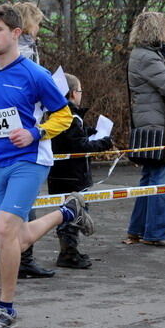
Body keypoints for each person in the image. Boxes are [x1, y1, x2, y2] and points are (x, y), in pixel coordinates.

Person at [0, 4, 92, 328]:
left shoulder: (36, 74)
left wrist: (35, 132)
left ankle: (5, 309)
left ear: (16, 33)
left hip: (31, 159)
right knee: (17, 238)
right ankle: (67, 213)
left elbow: (63, 114)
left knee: (4, 229)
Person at [0, 1, 53, 279]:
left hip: (9, 143)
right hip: (18, 143)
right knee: (16, 211)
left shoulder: (12, 51)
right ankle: (17, 258)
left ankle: (8, 258)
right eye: (37, 23)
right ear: (25, 26)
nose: (39, 29)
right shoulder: (22, 53)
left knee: (6, 211)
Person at [126, 12, 165, 247]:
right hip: (157, 125)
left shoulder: (140, 55)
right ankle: (156, 233)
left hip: (147, 123)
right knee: (160, 178)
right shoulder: (148, 58)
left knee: (149, 178)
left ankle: (138, 230)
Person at [47, 73, 114, 269]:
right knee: (74, 213)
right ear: (73, 93)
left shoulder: (55, 114)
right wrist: (103, 143)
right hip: (73, 175)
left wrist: (88, 131)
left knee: (66, 212)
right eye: (80, 91)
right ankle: (69, 253)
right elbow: (79, 146)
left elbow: (72, 139)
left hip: (58, 174)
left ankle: (69, 250)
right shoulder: (71, 116)